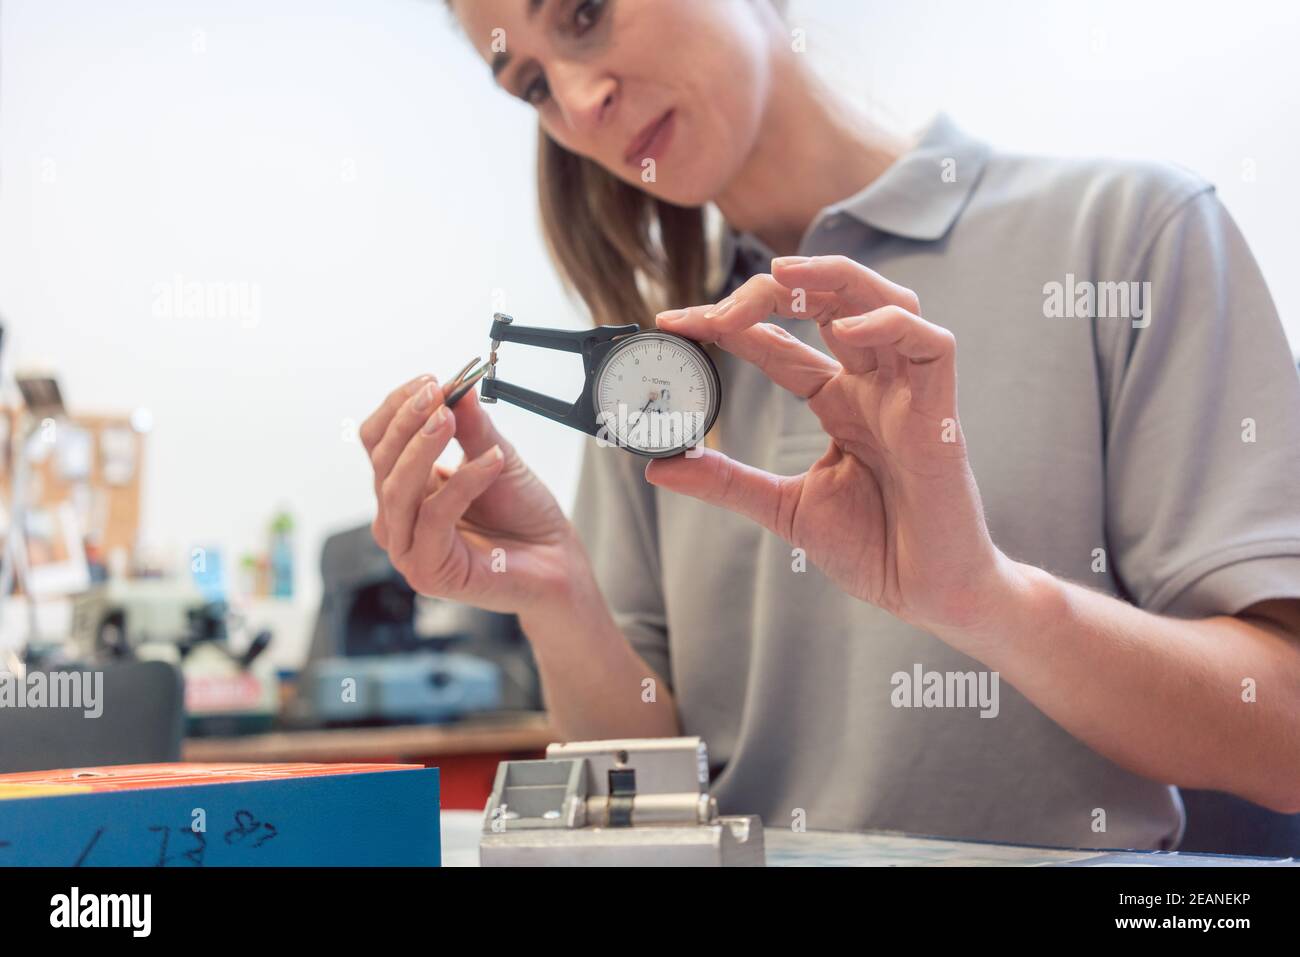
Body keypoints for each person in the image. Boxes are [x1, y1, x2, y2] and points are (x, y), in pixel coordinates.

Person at [360, 0, 1300, 849]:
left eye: (585, 13)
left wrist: (985, 600)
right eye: (529, 85)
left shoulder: (1129, 235)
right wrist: (555, 595)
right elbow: (649, 785)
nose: (576, 99)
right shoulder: (657, 367)